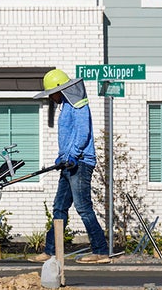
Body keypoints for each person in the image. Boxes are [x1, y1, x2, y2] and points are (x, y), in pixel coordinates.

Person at [29, 69, 110, 264]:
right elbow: (68, 137)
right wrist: (61, 158)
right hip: (69, 163)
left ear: (60, 89)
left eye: (52, 93)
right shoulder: (65, 105)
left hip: (80, 163)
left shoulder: (78, 105)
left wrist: (72, 155)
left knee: (83, 207)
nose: (51, 98)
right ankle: (50, 251)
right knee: (59, 207)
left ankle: (101, 251)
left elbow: (83, 133)